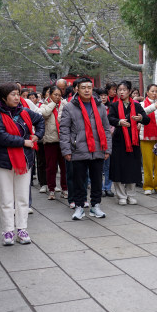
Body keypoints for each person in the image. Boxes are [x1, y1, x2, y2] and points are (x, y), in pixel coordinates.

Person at [0, 82, 45, 245]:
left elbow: (41, 120)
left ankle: (22, 229)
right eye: (13, 94)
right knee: (6, 199)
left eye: (17, 94)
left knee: (22, 197)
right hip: (3, 161)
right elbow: (1, 137)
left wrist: (37, 136)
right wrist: (24, 141)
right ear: (4, 97)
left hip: (24, 159)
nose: (16, 97)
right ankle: (8, 231)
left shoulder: (25, 112)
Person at [59, 77, 112, 220]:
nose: (87, 90)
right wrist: (66, 150)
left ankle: (96, 206)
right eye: (83, 87)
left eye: (89, 87)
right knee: (79, 180)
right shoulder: (70, 106)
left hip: (98, 148)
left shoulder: (99, 105)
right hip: (78, 149)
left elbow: (106, 129)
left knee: (96, 180)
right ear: (77, 89)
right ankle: (79, 206)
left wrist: (107, 148)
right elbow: (64, 130)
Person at [107, 81, 150, 205]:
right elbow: (110, 118)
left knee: (132, 169)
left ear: (129, 91)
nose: (121, 92)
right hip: (119, 142)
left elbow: (146, 119)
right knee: (119, 169)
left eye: (124, 89)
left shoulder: (136, 106)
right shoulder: (114, 105)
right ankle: (121, 195)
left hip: (133, 142)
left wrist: (140, 118)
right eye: (119, 90)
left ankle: (131, 195)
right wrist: (119, 122)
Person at [40, 86, 68, 200]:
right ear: (50, 95)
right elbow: (45, 114)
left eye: (59, 95)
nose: (57, 97)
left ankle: (65, 189)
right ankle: (51, 189)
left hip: (63, 140)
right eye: (55, 94)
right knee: (51, 167)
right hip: (50, 140)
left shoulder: (65, 105)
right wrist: (53, 104)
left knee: (64, 167)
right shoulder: (44, 105)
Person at [140, 84, 157, 195]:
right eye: (152, 91)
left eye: (156, 91)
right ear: (147, 92)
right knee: (148, 163)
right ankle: (148, 185)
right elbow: (142, 113)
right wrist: (154, 106)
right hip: (145, 138)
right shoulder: (141, 104)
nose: (155, 93)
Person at [95, 88, 114, 198]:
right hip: (97, 140)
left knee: (108, 166)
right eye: (101, 95)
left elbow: (114, 121)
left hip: (109, 139)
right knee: (99, 167)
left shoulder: (111, 108)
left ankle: (108, 187)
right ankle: (100, 187)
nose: (103, 97)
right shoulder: (95, 108)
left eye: (105, 95)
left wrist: (111, 131)